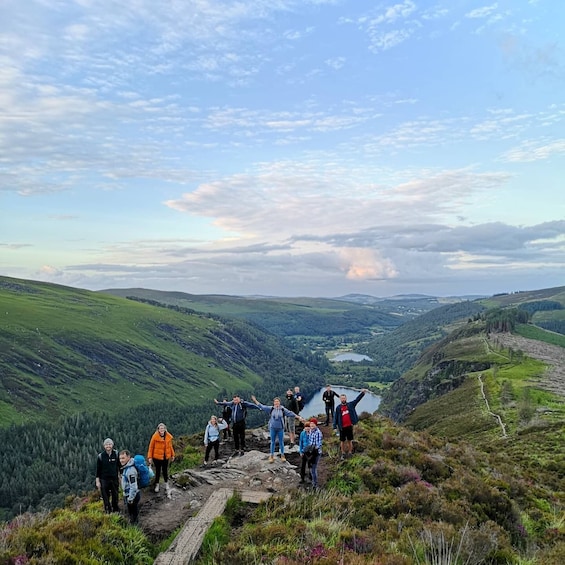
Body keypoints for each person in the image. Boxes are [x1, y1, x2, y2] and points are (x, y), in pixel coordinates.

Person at [251, 395, 300, 462]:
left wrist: (298, 417)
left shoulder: (282, 409)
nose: (276, 403)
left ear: (280, 403)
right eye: (275, 402)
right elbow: (262, 406)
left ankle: (282, 456)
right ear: (273, 403)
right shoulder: (271, 409)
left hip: (280, 428)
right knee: (273, 442)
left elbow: (290, 413)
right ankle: (271, 456)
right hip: (273, 428)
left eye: (278, 402)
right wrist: (255, 401)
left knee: (281, 442)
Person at [333, 389, 368, 460]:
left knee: (349, 440)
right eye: (342, 398)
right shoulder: (338, 408)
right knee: (342, 441)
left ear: (346, 398)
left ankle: (349, 452)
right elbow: (336, 417)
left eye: (344, 398)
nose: (343, 399)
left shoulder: (351, 405)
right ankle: (343, 453)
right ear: (340, 399)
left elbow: (357, 400)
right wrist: (334, 427)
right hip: (342, 427)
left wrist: (362, 393)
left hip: (349, 426)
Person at [147, 423, 175, 496]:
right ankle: (157, 484)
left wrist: (172, 455)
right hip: (157, 457)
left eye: (163, 428)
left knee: (165, 471)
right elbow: (151, 447)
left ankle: (166, 484)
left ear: (165, 429)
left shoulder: (168, 437)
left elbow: (170, 447)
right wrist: (150, 457)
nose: (162, 430)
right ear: (158, 429)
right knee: (158, 471)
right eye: (160, 428)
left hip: (165, 457)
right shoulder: (154, 437)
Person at [95, 438, 120, 513]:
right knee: (105, 496)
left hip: (114, 478)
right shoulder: (101, 456)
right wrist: (97, 481)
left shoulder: (116, 454)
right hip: (104, 479)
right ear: (104, 446)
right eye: (106, 444)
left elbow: (119, 466)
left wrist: (121, 476)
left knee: (115, 494)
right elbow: (98, 469)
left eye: (109, 444)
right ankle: (107, 510)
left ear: (112, 445)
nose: (108, 446)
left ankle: (115, 509)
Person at [119, 450, 140, 524]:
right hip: (128, 494)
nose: (121, 460)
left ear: (128, 457)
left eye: (123, 458)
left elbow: (133, 486)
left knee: (133, 514)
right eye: (120, 458)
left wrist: (130, 498)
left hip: (131, 496)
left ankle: (135, 528)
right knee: (131, 513)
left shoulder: (130, 470)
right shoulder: (126, 468)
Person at [306, 418, 323, 488]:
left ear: (316, 424)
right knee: (311, 467)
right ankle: (313, 482)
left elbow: (319, 444)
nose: (312, 425)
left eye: (313, 424)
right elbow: (310, 441)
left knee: (313, 468)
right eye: (311, 424)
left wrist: (314, 448)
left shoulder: (318, 432)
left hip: (316, 453)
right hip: (311, 452)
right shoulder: (310, 431)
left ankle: (315, 484)